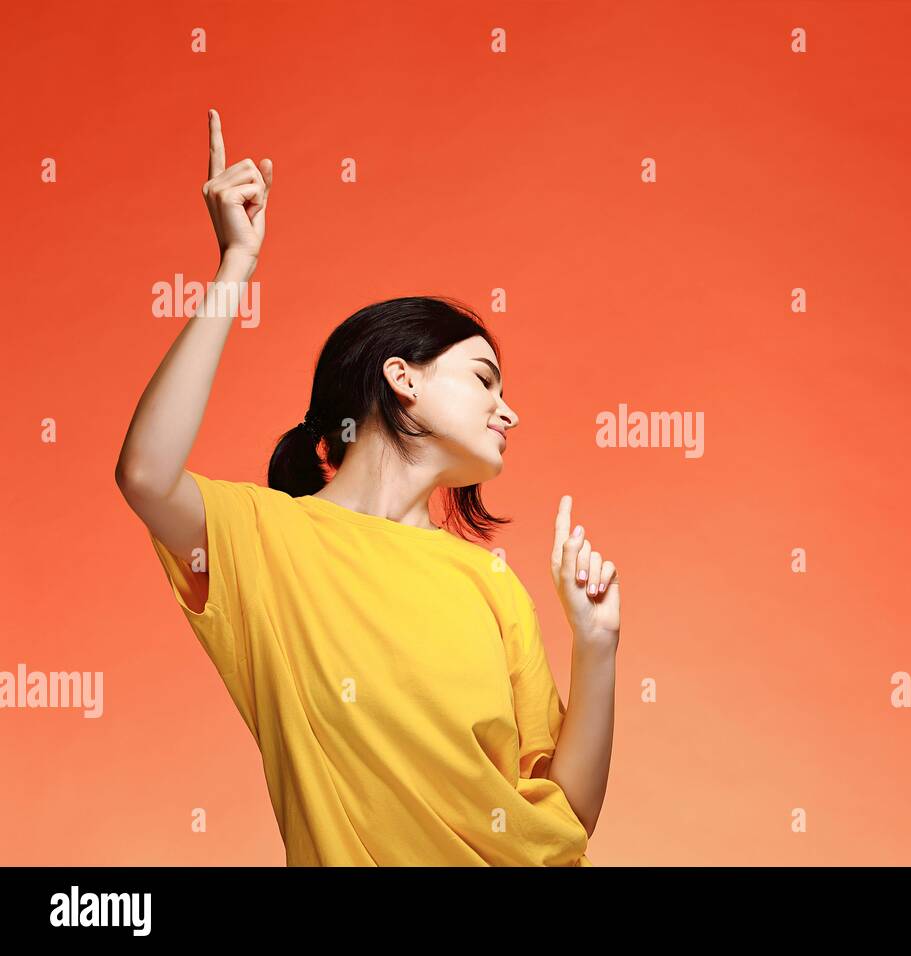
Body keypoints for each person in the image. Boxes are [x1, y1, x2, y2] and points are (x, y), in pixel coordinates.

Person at [113, 109, 620, 866]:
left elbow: (565, 821)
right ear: (401, 377)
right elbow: (146, 474)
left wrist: (598, 645)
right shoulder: (268, 543)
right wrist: (235, 267)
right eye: (484, 379)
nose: (508, 408)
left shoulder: (491, 584)